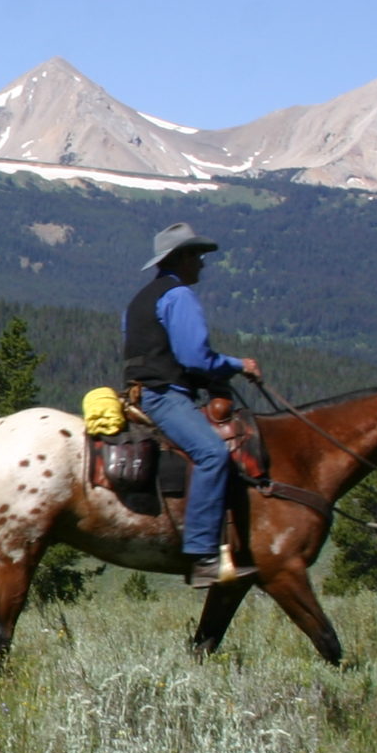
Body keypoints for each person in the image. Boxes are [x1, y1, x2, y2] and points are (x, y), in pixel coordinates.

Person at [123, 222, 262, 588]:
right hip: (163, 395)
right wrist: (239, 365)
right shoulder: (178, 296)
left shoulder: (142, 298)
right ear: (181, 258)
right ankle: (203, 555)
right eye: (197, 256)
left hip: (141, 391)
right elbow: (196, 357)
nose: (202, 263)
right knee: (212, 453)